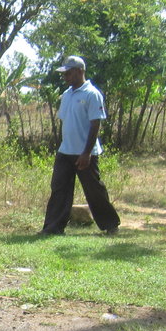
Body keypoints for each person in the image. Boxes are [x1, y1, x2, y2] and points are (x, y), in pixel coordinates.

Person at [40, 56, 120, 235]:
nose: (65, 76)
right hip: (66, 150)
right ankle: (53, 228)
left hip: (85, 152)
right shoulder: (67, 94)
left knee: (94, 190)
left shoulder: (92, 94)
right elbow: (66, 121)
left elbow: (95, 124)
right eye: (64, 73)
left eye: (68, 73)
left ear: (80, 71)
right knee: (59, 189)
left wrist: (86, 152)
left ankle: (110, 225)